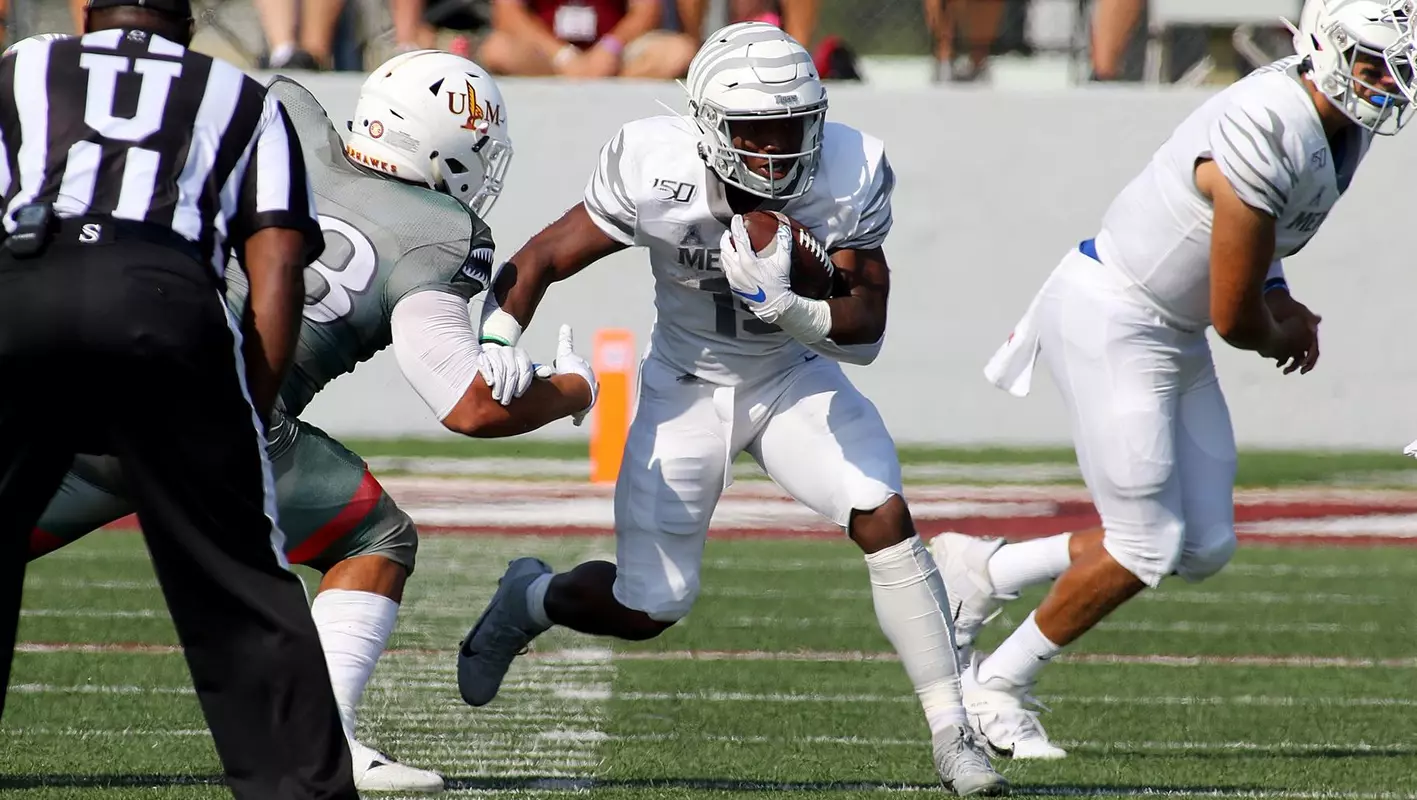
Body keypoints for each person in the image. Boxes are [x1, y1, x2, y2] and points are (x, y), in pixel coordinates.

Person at [455, 21, 1009, 797]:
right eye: (755, 130)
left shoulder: (848, 167)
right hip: (684, 386)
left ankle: (954, 732)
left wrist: (793, 311)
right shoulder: (656, 163)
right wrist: (493, 337)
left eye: (792, 125)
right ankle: (532, 597)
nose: (778, 147)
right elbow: (543, 256)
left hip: (791, 376)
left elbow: (868, 325)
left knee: (881, 512)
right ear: (709, 127)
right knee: (651, 606)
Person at [26, 49, 598, 793]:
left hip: (94, 370)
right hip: (219, 418)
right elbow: (470, 405)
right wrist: (572, 390)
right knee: (374, 536)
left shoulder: (284, 118)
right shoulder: (436, 232)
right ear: (443, 147)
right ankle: (328, 742)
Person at [934, 0, 1417, 761]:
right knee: (1144, 544)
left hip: (1168, 329)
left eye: (1397, 64)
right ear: (1324, 48)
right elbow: (1232, 316)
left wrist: (1279, 298)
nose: (1387, 81)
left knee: (1203, 545)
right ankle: (995, 685)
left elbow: (1256, 241)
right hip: (1114, 315)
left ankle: (984, 569)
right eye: (1370, 62)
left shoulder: (1337, 126)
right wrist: (1277, 327)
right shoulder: (1270, 121)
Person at [0, 2, 360, 798]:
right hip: (164, 303)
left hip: (22, 287)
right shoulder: (242, 96)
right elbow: (275, 271)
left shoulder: (22, 67)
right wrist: (246, 418)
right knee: (236, 581)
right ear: (188, 23)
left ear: (86, 12)